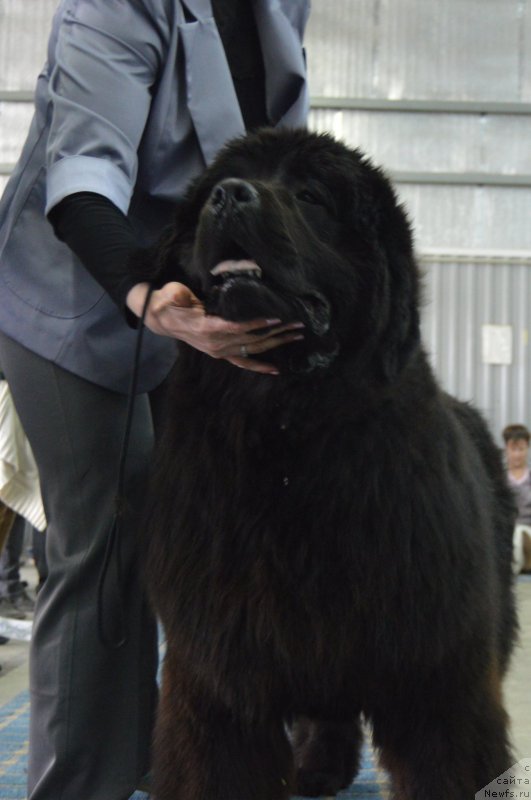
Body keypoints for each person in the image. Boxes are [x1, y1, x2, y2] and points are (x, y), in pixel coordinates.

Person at [0, 2, 311, 799]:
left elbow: (273, 163)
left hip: (192, 296)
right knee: (107, 532)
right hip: (71, 284)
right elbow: (83, 174)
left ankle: (172, 767)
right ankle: (80, 785)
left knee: (195, 533)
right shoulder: (111, 8)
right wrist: (147, 295)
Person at [502, 423, 531, 573]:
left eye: (521, 449)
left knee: (521, 534)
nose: (518, 454)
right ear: (506, 449)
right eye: (514, 449)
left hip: (529, 528)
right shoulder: (501, 478)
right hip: (509, 531)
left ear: (527, 449)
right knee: (516, 538)